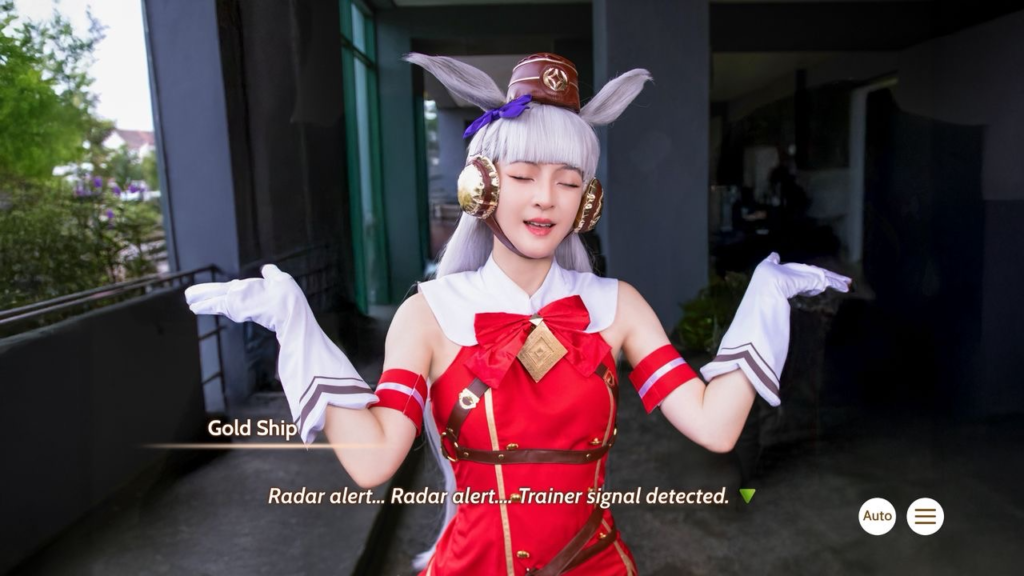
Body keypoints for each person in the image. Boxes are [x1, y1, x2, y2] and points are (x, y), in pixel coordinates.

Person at [184, 53, 851, 576]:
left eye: (568, 181)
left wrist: (764, 299)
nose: (546, 199)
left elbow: (716, 426)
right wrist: (295, 325)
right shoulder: (429, 314)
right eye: (525, 176)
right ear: (482, 186)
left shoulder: (616, 305)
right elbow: (373, 462)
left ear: (586, 201)